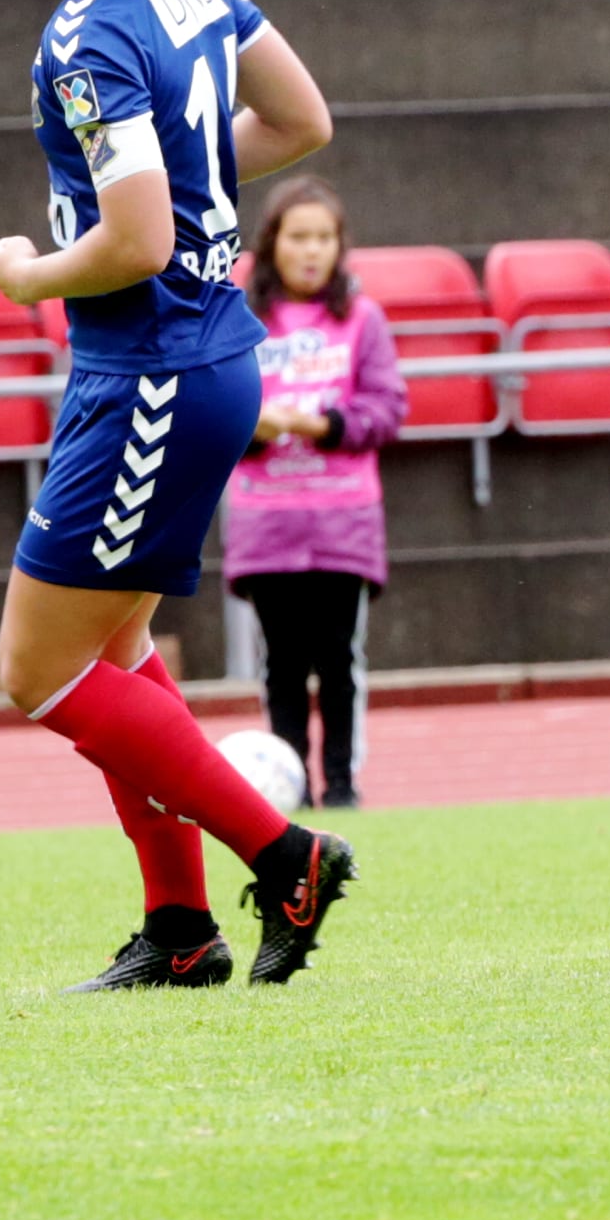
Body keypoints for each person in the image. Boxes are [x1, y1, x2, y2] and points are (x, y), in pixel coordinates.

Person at [0, 0, 357, 990]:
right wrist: (195, 193)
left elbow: (135, 243)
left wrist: (28, 275)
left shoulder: (84, 38)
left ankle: (285, 856)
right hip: (203, 361)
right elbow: (300, 122)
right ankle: (181, 932)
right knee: (119, 650)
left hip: (152, 371)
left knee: (39, 671)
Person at [226, 178, 406, 810]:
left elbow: (385, 409)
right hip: (266, 523)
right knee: (281, 664)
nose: (311, 251)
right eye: (299, 237)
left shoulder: (362, 318)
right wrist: (253, 424)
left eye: (324, 238)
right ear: (272, 244)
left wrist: (320, 424)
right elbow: (213, 409)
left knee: (337, 660)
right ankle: (290, 787)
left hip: (342, 522)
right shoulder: (238, 318)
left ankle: (343, 785)